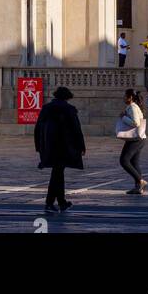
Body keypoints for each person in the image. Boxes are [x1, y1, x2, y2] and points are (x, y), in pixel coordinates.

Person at [35, 85, 86, 213]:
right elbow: (76, 129)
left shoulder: (46, 108)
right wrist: (81, 146)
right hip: (64, 146)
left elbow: (37, 128)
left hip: (49, 145)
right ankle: (51, 202)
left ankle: (61, 202)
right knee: (57, 174)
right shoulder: (68, 109)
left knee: (57, 173)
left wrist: (38, 146)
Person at [116, 89, 148, 195]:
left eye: (125, 96)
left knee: (124, 160)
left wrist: (123, 117)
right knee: (134, 163)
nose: (123, 98)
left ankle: (140, 181)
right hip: (139, 138)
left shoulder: (133, 107)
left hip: (136, 139)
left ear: (130, 97)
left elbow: (136, 123)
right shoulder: (132, 107)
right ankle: (138, 187)